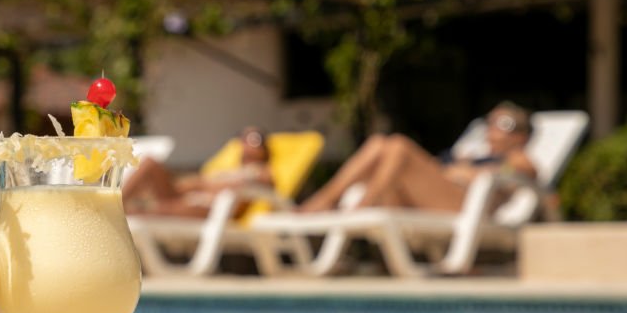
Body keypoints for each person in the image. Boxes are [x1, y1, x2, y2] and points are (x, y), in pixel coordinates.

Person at [299, 102, 536, 213]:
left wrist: (469, 172)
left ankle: (358, 208)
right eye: (491, 121)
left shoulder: (519, 158)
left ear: (522, 136)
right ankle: (327, 200)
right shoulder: (476, 154)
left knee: (399, 146)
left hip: (466, 206)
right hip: (437, 196)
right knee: (380, 143)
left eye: (505, 124)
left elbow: (522, 174)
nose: (493, 128)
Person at [123, 126, 273, 218]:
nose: (246, 143)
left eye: (254, 138)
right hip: (184, 196)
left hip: (212, 209)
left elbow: (264, 185)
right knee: (150, 163)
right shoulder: (230, 168)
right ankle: (117, 202)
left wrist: (207, 186)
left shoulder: (263, 171)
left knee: (141, 211)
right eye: (243, 137)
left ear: (265, 149)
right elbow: (199, 183)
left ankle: (120, 211)